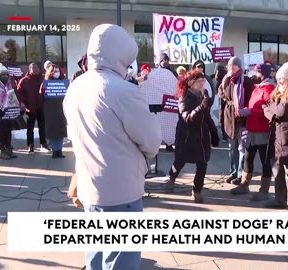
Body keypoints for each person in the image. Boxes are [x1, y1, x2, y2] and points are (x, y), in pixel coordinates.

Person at [63, 24, 162, 270]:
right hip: (122, 192)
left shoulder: (76, 87)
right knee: (121, 260)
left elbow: (73, 135)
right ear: (120, 56)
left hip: (89, 188)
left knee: (95, 252)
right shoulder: (123, 91)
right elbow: (151, 143)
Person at [164, 70, 219, 203]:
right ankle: (171, 178)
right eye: (200, 81)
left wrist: (214, 132)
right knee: (179, 161)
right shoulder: (184, 97)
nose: (203, 83)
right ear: (191, 83)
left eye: (203, 81)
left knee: (203, 163)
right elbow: (187, 118)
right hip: (186, 137)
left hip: (202, 137)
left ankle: (197, 190)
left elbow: (206, 116)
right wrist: (201, 106)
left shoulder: (202, 95)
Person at [262, 62, 288, 212]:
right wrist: (270, 111)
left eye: (283, 79)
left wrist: (270, 111)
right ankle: (279, 200)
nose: (280, 81)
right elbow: (265, 107)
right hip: (278, 140)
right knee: (278, 172)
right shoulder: (277, 93)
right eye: (279, 78)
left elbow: (280, 111)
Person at [230, 63, 275, 201]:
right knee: (248, 157)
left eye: (256, 72)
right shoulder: (258, 88)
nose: (254, 75)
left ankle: (264, 190)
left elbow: (266, 110)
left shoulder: (268, 88)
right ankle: (244, 184)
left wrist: (249, 111)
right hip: (252, 128)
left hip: (262, 129)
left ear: (263, 74)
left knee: (265, 160)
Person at [221, 56, 254, 184]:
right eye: (229, 66)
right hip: (229, 117)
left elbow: (251, 99)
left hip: (242, 119)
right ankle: (233, 172)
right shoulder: (226, 80)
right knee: (232, 147)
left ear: (239, 67)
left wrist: (244, 110)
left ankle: (240, 175)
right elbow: (222, 96)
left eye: (233, 66)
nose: (230, 68)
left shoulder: (246, 81)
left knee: (242, 148)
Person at [16, 62, 50, 153]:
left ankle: (44, 144)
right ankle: (30, 145)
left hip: (41, 107)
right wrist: (22, 103)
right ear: (29, 69)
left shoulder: (42, 79)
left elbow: (47, 91)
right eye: (34, 68)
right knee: (30, 128)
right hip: (30, 108)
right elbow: (19, 93)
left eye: (37, 68)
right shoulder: (24, 81)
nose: (36, 70)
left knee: (42, 127)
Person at [0, 63, 18, 159]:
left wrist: (16, 108)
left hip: (7, 111)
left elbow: (11, 96)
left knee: (8, 131)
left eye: (6, 75)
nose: (5, 77)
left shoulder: (8, 84)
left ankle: (8, 148)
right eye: (3, 75)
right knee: (0, 132)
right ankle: (2, 150)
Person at [40, 64, 67, 158]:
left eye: (58, 71)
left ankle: (59, 150)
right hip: (50, 109)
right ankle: (55, 150)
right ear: (50, 72)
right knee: (52, 130)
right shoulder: (45, 83)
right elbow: (41, 95)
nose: (57, 73)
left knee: (60, 130)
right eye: (55, 71)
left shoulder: (64, 82)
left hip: (61, 108)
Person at [215, 63, 228, 143]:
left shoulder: (229, 76)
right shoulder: (219, 67)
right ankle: (224, 135)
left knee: (224, 116)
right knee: (223, 116)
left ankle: (225, 135)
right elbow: (216, 78)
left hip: (227, 99)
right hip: (223, 99)